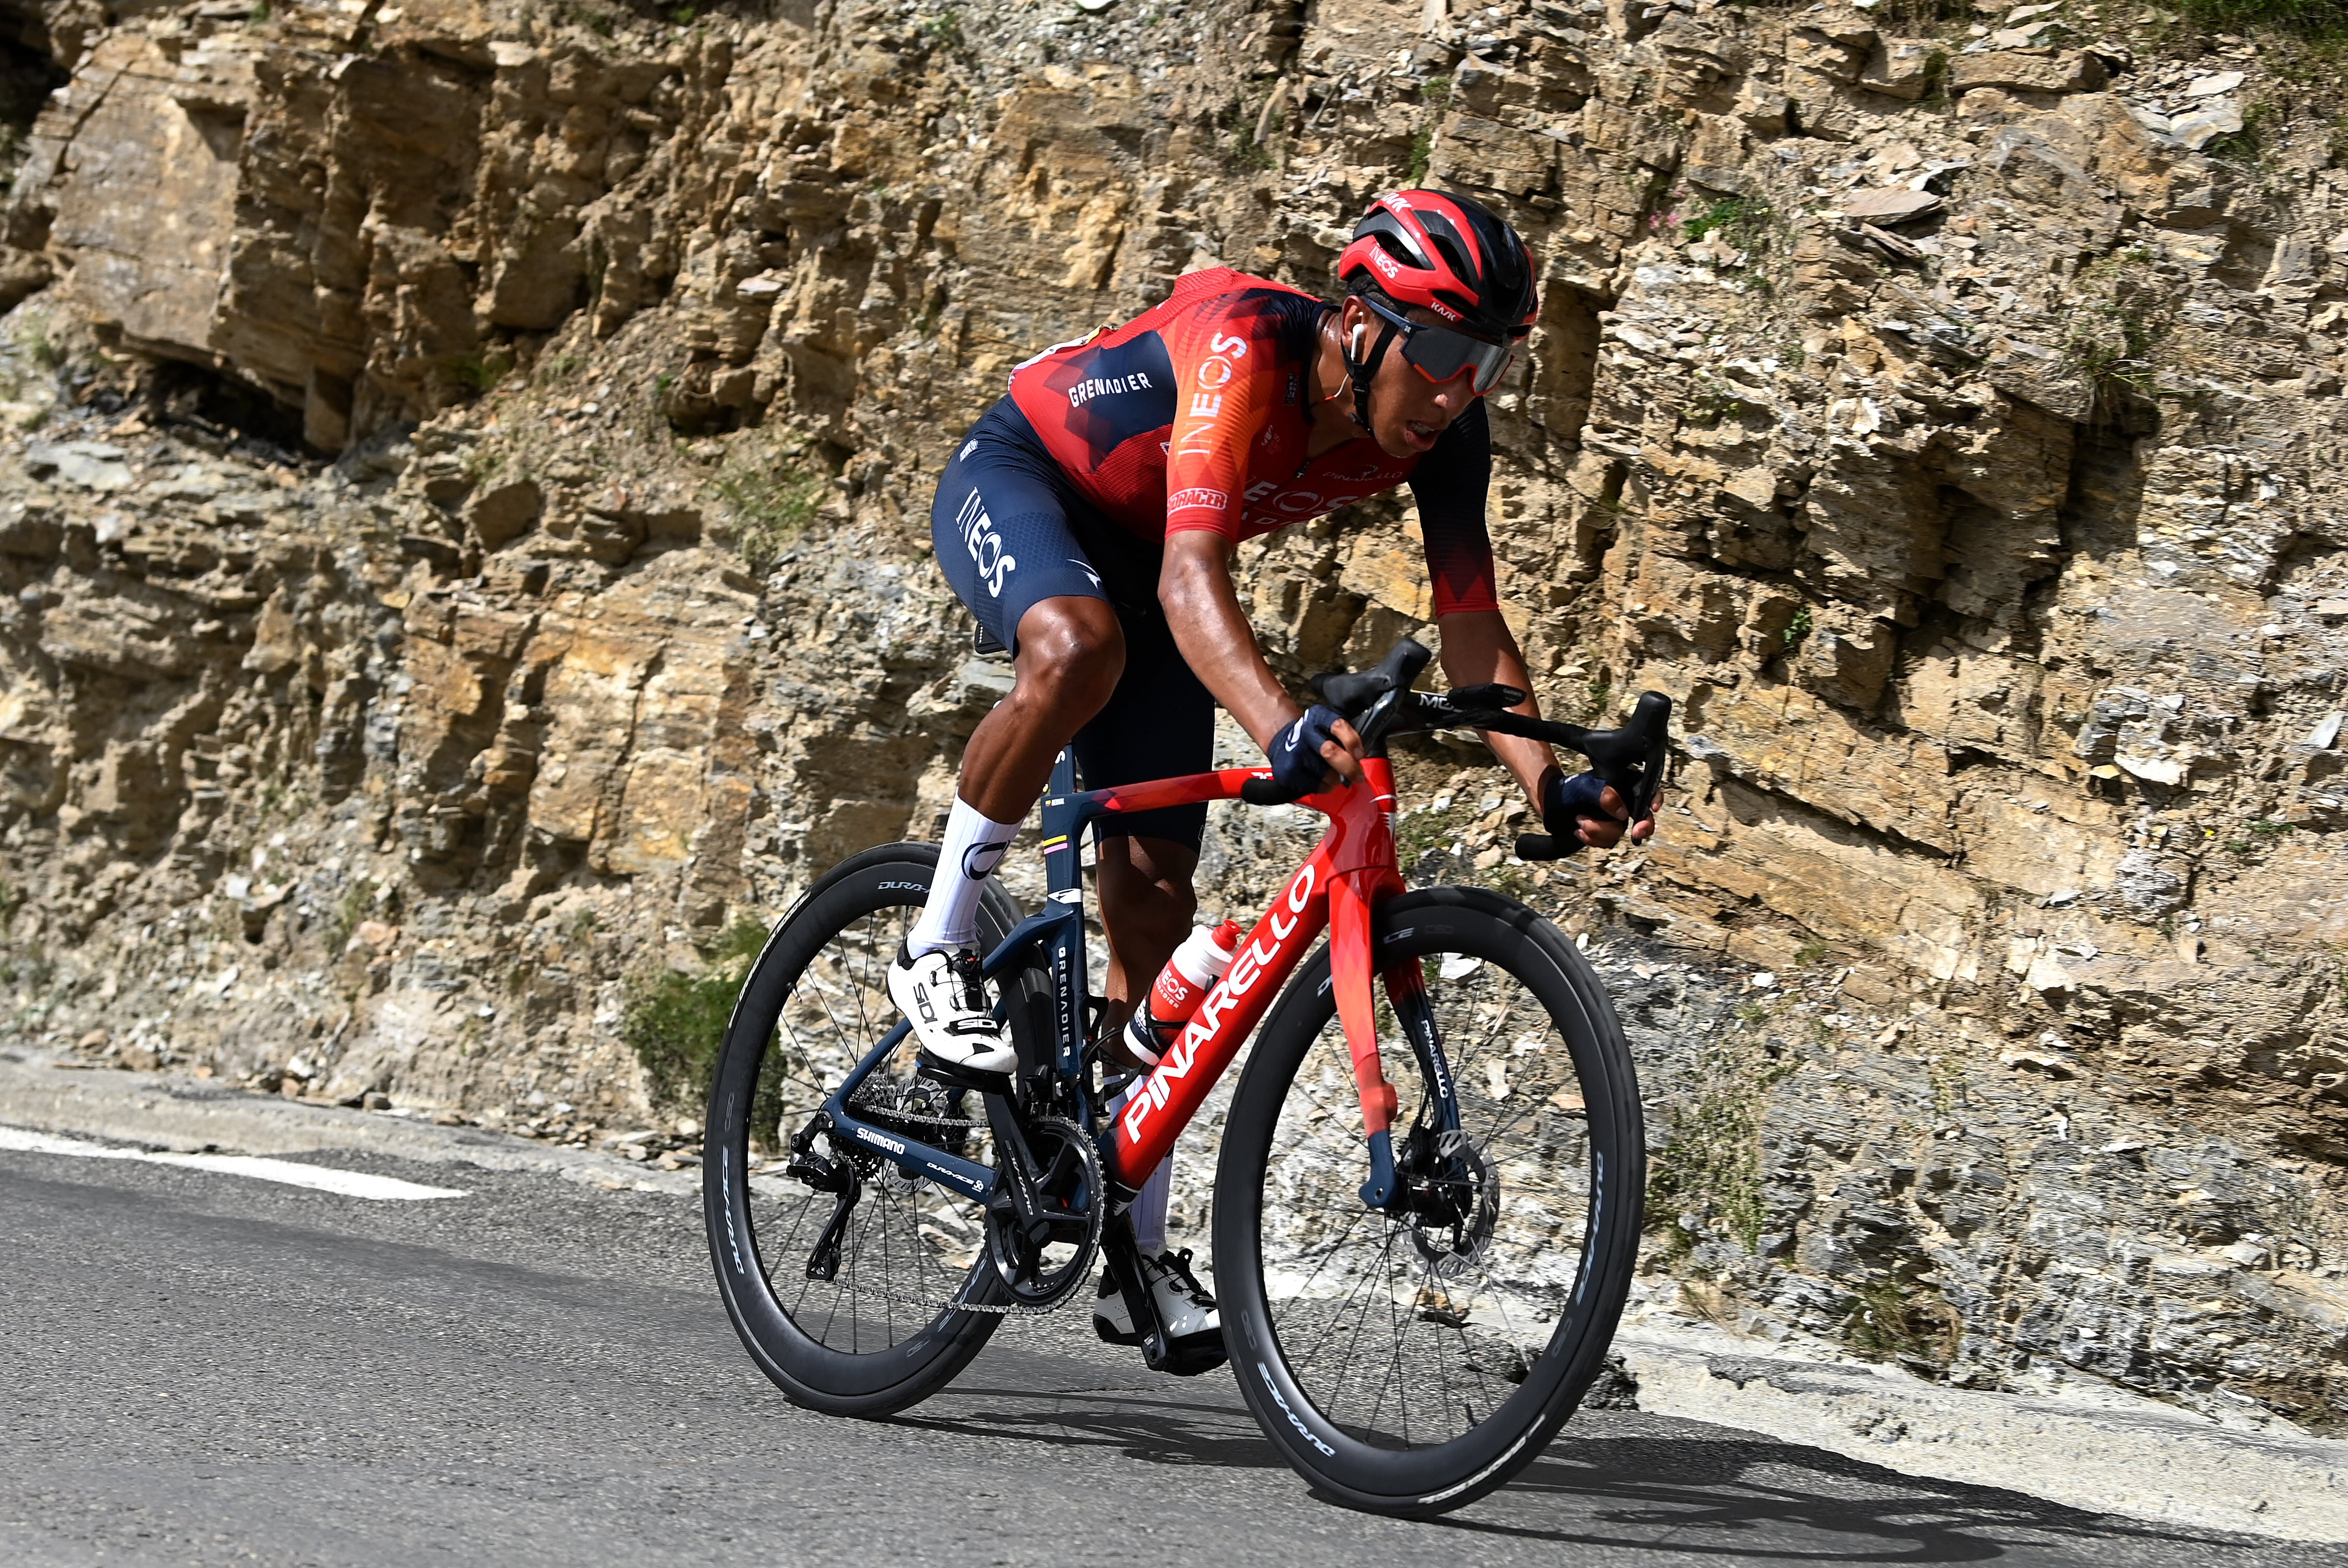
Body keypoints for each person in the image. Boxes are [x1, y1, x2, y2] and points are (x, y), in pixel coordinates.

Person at [890, 189, 1656, 1363]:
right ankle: (935, 939)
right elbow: (1193, 582)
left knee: (1154, 895)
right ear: (1359, 327)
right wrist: (1281, 725)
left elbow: (1471, 623)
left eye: (1488, 361)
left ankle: (1130, 1245)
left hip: (1150, 561)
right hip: (1028, 479)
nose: (1458, 386)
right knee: (1073, 645)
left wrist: (1544, 781)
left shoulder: (1450, 425)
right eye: (1442, 351)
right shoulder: (1246, 347)